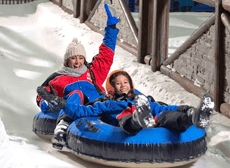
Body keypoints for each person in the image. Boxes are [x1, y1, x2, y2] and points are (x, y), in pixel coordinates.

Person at [37, 70, 214, 149]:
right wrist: (60, 103)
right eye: (118, 84)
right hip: (126, 119)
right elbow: (81, 112)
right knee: (127, 118)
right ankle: (140, 119)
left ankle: (195, 118)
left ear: (131, 85)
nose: (123, 86)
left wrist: (187, 110)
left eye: (126, 83)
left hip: (154, 117)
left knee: (167, 114)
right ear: (111, 89)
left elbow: (162, 107)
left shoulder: (140, 99)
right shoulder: (107, 104)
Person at [36, 0, 120, 146]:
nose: (77, 62)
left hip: (97, 105)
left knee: (115, 98)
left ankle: (130, 122)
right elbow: (43, 94)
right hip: (75, 108)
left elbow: (106, 54)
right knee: (77, 94)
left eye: (81, 58)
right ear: (67, 60)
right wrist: (46, 103)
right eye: (73, 58)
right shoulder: (58, 78)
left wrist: (111, 27)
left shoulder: (92, 72)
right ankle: (62, 128)